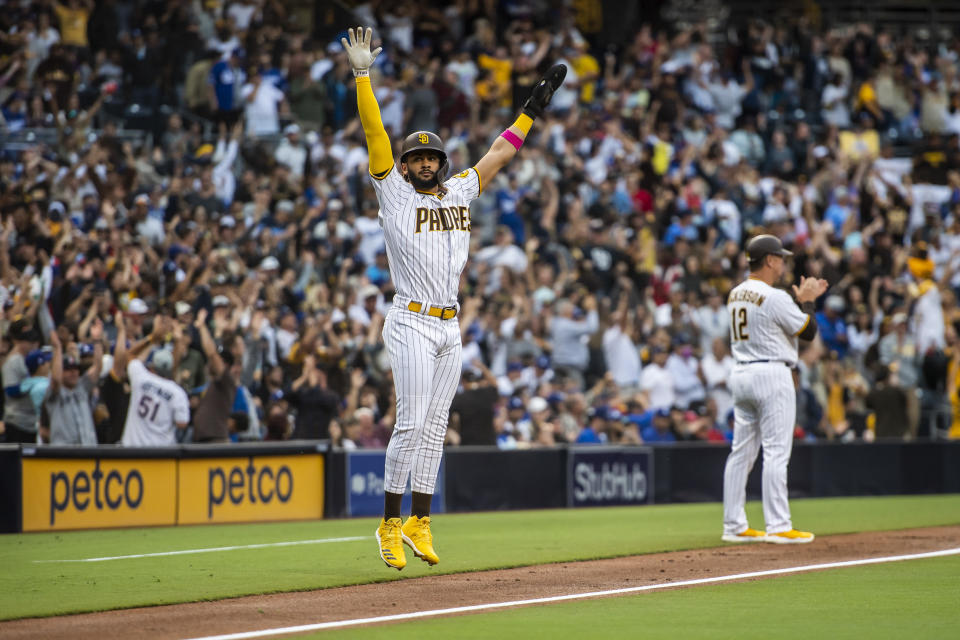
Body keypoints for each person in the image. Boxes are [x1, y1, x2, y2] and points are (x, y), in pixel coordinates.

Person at [341, 26, 565, 570]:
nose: (420, 164)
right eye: (414, 158)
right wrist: (363, 77)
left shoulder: (460, 188)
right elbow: (375, 136)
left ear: (439, 163)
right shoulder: (392, 191)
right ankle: (389, 524)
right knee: (411, 424)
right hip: (411, 318)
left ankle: (420, 519)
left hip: (449, 323)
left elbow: (500, 152)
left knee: (438, 428)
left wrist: (532, 107)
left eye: (428, 158)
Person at [722, 234, 827, 544]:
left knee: (741, 452)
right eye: (780, 258)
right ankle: (779, 525)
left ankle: (734, 525)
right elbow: (808, 331)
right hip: (771, 374)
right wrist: (807, 300)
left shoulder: (735, 293)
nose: (783, 263)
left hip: (741, 373)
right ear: (769, 260)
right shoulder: (775, 296)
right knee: (777, 453)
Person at [120, 317, 191, 447]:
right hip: (159, 455)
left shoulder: (140, 377)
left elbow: (129, 355)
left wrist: (152, 337)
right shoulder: (176, 392)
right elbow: (182, 423)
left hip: (131, 451)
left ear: (152, 367)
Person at [45, 330, 102, 445]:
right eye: (68, 370)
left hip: (87, 451)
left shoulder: (82, 387)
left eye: (75, 369)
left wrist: (97, 341)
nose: (73, 373)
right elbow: (56, 379)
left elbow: (98, 367)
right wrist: (58, 348)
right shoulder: (55, 391)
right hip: (64, 454)